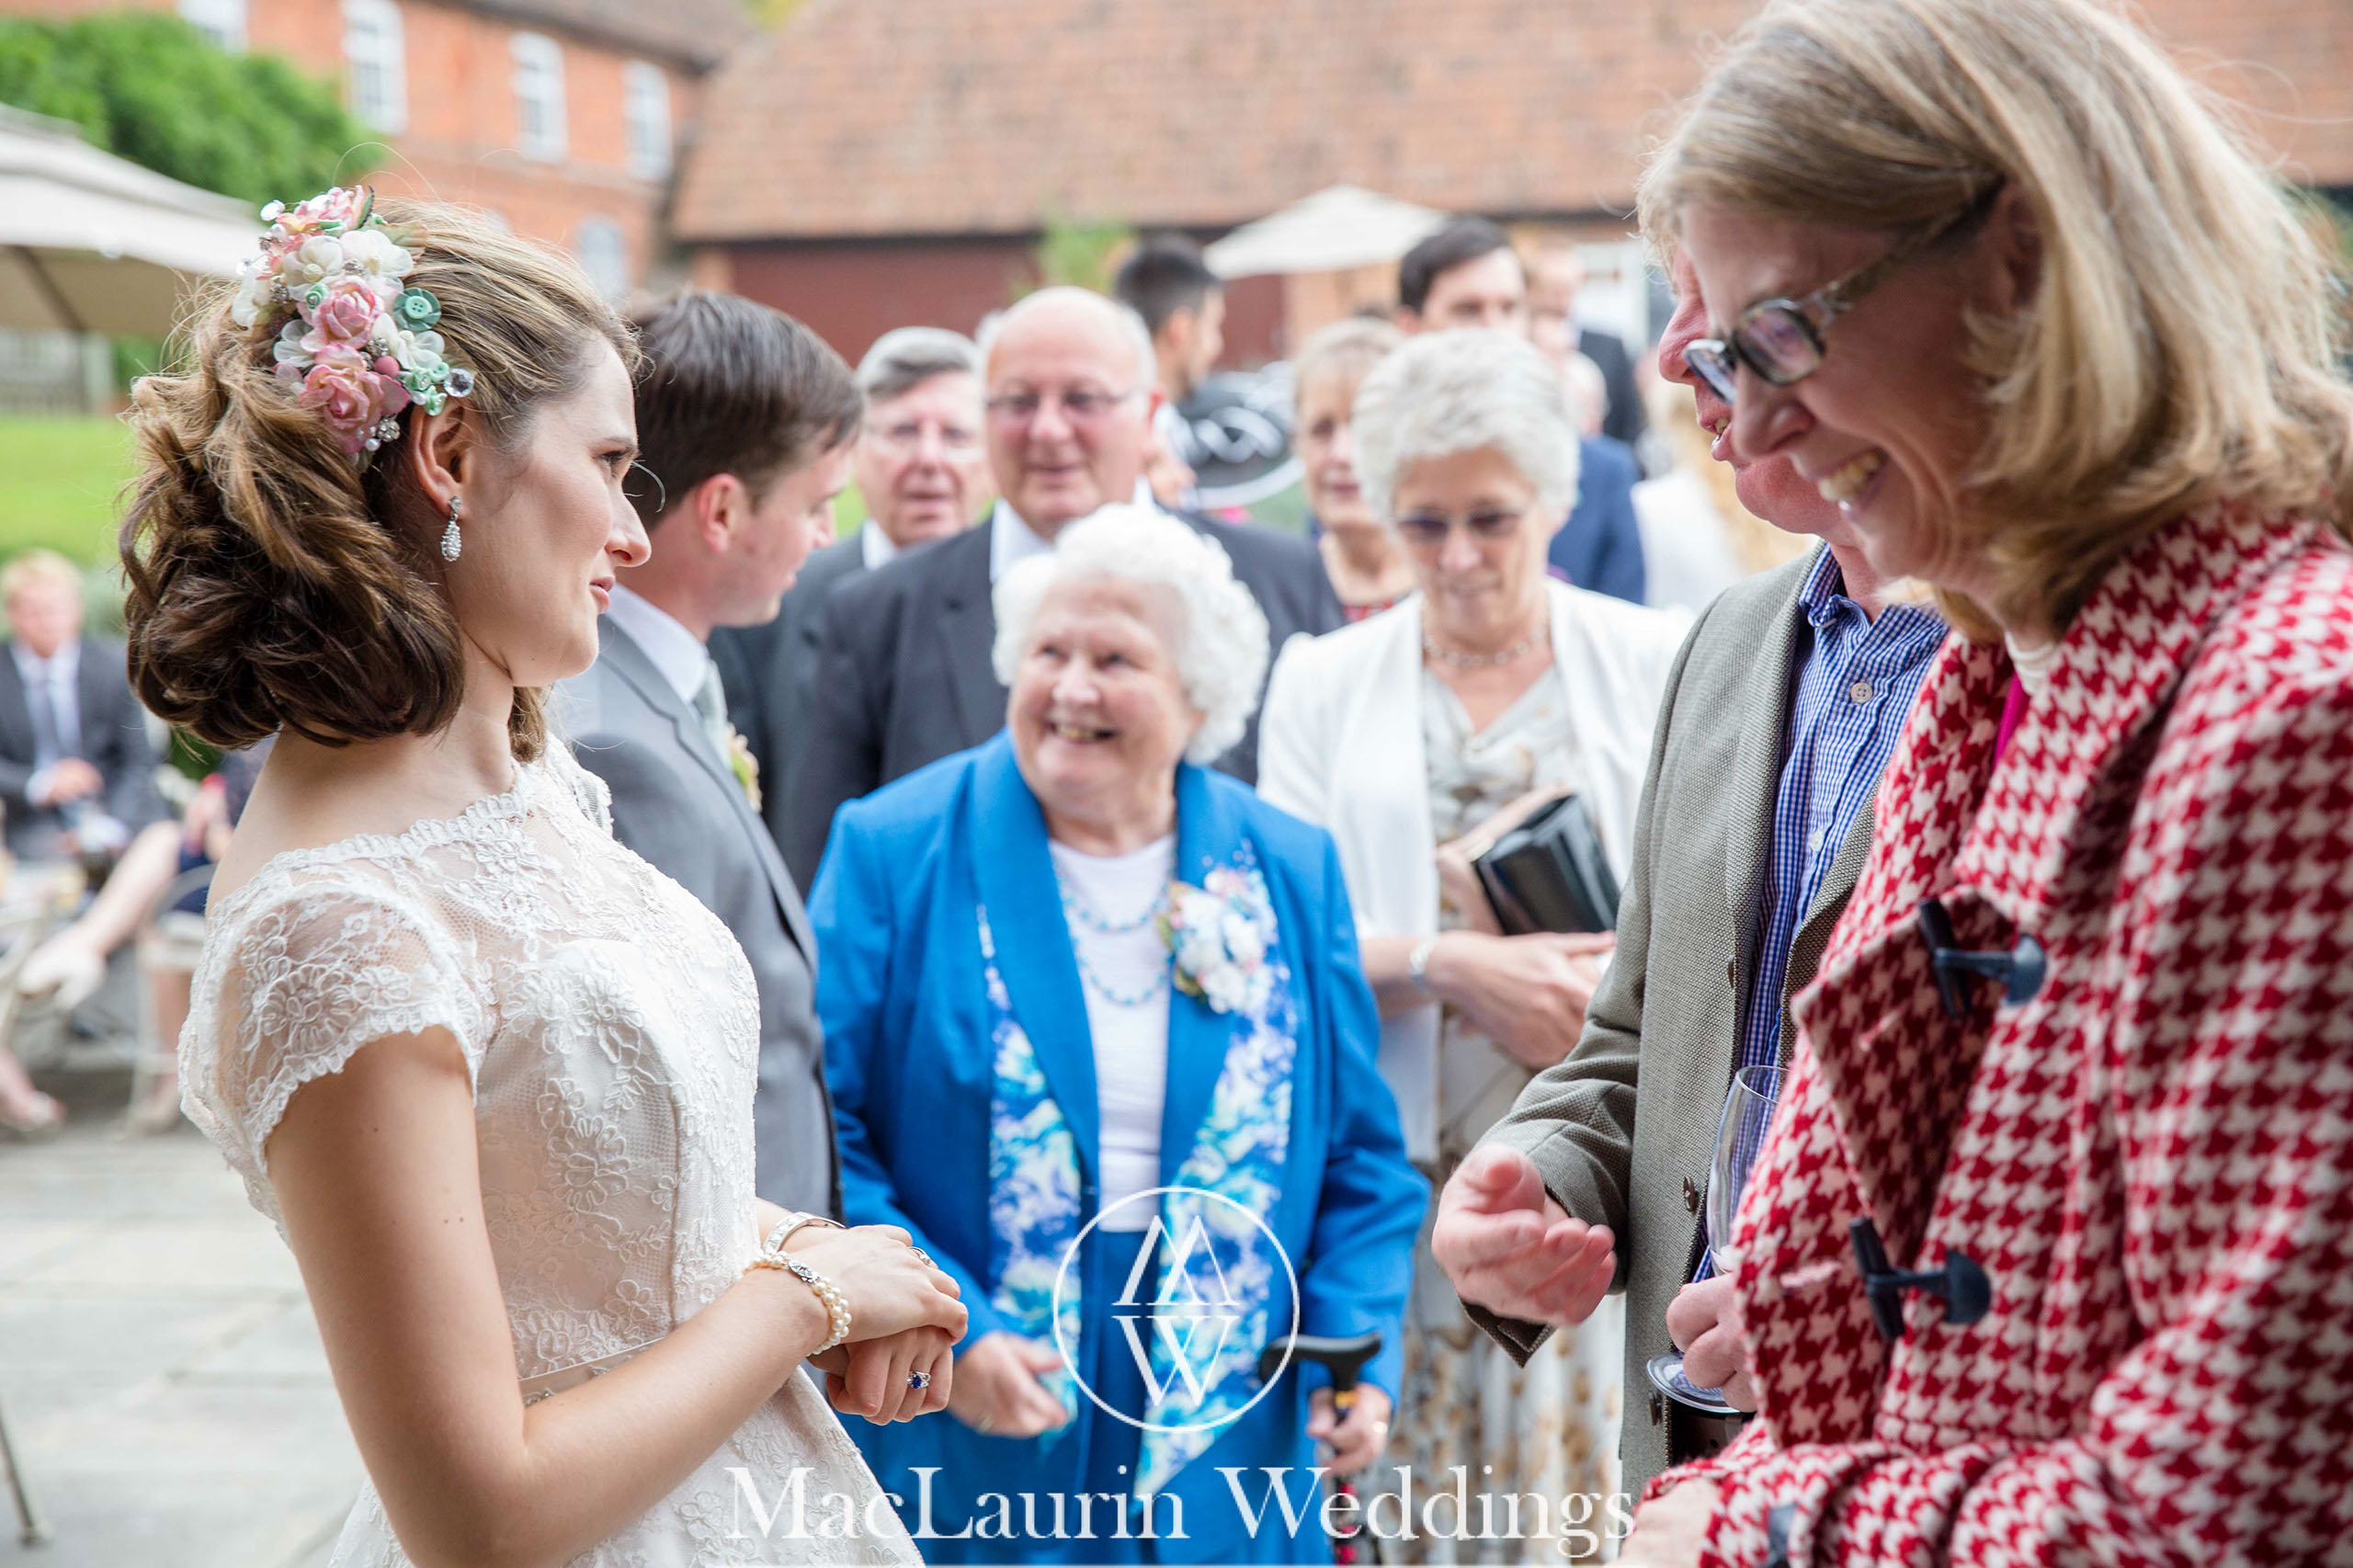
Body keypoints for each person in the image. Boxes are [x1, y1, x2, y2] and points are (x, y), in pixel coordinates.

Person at [124, 187, 965, 1566]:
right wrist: (806, 1298)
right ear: (451, 450)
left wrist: (828, 1250)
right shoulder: (337, 924)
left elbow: (589, 1186)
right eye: (612, 463)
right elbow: (478, 1512)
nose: (638, 534)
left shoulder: (531, 780)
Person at [1615, 2, 2353, 1562]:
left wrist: (1758, 1527)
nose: (1745, 424)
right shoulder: (1983, 677)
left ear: (2018, 259)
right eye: (1710, 356)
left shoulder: (2297, 713)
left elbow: (2215, 1512)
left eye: (1779, 337)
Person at [1431, 250, 1947, 1505]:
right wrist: (1533, 1180)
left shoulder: (2062, 657)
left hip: (1926, 1466)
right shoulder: (1730, 639)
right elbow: (1640, 1035)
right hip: (1689, 1457)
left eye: (1712, 297)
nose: (1668, 353)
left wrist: (1825, 1313)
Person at [814, 506, 1426, 1562]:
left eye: (1115, 658)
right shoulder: (894, 844)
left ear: (1199, 697)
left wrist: (1352, 1363)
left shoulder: (1287, 863)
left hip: (1227, 1428)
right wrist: (940, 1317)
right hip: (983, 1413)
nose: (1071, 687)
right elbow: (829, 1136)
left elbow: (1361, 1160)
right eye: (1048, 650)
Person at [1256, 329, 1689, 1558]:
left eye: (1491, 518)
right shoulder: (1321, 680)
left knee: (1579, 1506)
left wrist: (1575, 989)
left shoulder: (1660, 659)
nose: (1456, 556)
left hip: (1588, 1174)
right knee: (1417, 1506)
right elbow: (1287, 931)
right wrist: (1452, 963)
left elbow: (1708, 916)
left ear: (1553, 501)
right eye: (1424, 521)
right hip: (1405, 1172)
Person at [790, 287, 1343, 881]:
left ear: (1150, 412)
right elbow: (823, 878)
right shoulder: (878, 615)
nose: (1048, 430)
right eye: (1019, 401)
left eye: (1082, 399)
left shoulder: (1281, 583)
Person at [557, 290, 859, 1219]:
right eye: (818, 503)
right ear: (723, 511)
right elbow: (659, 1090)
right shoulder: (615, 743)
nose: (827, 536)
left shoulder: (662, 686)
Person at [710, 325, 992, 875]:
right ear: (853, 452)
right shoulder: (768, 599)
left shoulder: (1029, 607)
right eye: (903, 432)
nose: (929, 459)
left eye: (956, 436)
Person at [1395, 219, 1649, 606]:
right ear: (1411, 328)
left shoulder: (1599, 473)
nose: (1494, 329)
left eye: (1509, 308)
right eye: (1468, 310)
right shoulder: (1374, 470)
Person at [0, 549, 160, 865]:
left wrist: (111, 826)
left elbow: (138, 760)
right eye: (34, 610)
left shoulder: (113, 667)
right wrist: (40, 784)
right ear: (13, 614)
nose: (47, 621)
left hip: (112, 808)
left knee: (149, 853)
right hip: (33, 817)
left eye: (55, 609)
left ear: (77, 609)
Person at [1291, 317, 1415, 619]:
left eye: (1369, 430)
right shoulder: (1276, 588)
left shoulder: (1456, 587)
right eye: (1322, 430)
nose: (1342, 454)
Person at [1527, 241, 1650, 454]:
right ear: (1532, 291)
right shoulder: (1519, 345)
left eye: (1568, 288)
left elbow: (1629, 424)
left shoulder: (1609, 347)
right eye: (1552, 288)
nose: (1560, 298)